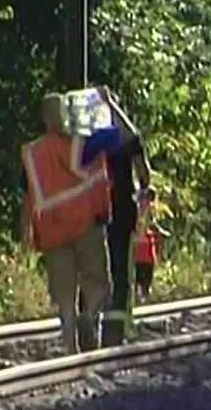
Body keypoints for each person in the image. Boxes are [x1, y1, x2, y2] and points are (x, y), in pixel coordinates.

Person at [20, 89, 138, 353]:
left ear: (44, 119)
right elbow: (128, 137)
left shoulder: (33, 152)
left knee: (64, 293)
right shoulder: (87, 142)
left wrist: (25, 230)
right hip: (86, 224)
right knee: (98, 283)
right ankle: (89, 316)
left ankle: (69, 346)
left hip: (52, 230)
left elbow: (28, 194)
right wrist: (107, 104)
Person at [90, 88, 152, 348]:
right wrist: (112, 103)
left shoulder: (86, 141)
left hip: (88, 213)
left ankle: (87, 324)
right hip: (119, 212)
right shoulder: (123, 142)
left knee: (89, 270)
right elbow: (144, 172)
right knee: (119, 272)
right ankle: (114, 331)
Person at [133, 187, 170, 301]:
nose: (147, 201)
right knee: (136, 281)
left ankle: (144, 299)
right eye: (145, 198)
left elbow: (154, 228)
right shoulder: (135, 213)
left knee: (146, 283)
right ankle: (136, 300)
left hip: (148, 254)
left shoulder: (150, 214)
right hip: (137, 253)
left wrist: (160, 234)